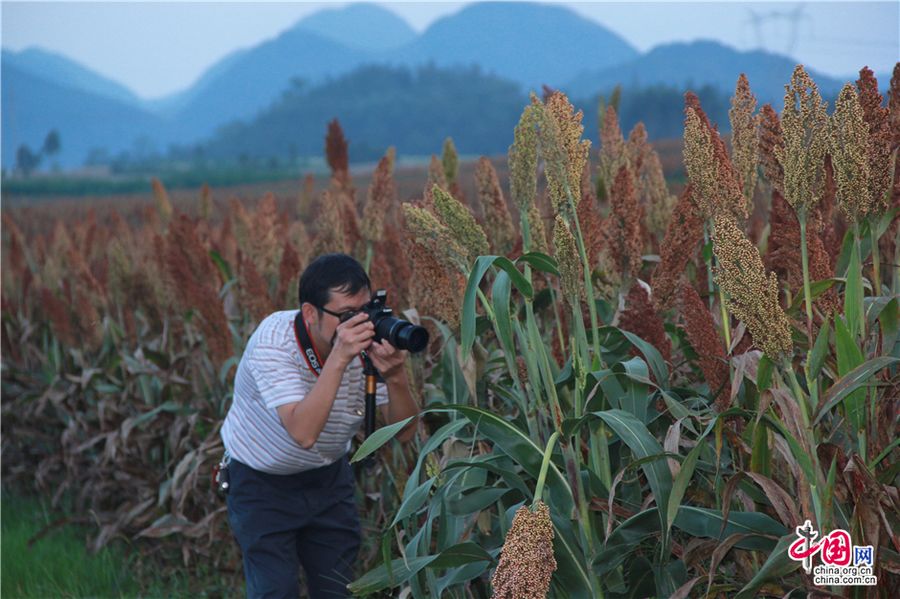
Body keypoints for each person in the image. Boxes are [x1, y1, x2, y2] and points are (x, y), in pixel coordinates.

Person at [221, 253, 419, 598]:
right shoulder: (274, 342)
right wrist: (340, 359)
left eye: (367, 309)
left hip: (329, 480)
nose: (361, 324)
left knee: (335, 590)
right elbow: (304, 433)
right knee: (275, 591)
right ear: (311, 313)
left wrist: (397, 376)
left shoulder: (364, 348)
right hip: (261, 485)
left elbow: (406, 432)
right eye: (347, 316)